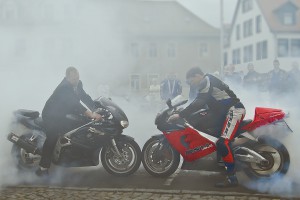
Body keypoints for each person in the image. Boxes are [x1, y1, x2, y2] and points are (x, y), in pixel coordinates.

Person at [168, 67, 245, 187]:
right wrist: (185, 109)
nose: (192, 83)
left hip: (234, 110)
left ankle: (232, 178)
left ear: (197, 75)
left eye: (191, 80)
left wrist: (180, 114)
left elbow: (199, 102)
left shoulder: (206, 81)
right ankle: (219, 162)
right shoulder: (207, 81)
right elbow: (198, 101)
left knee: (222, 142)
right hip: (223, 111)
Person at [36, 66, 102, 176]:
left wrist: (95, 109)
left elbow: (84, 97)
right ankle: (42, 168)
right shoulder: (64, 87)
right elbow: (75, 104)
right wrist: (91, 114)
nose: (76, 80)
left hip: (66, 113)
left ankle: (77, 154)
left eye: (77, 77)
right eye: (74, 79)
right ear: (67, 78)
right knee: (52, 136)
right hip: (52, 115)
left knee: (83, 125)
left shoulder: (78, 84)